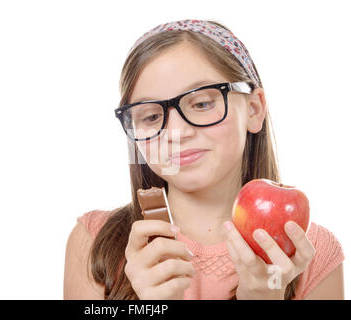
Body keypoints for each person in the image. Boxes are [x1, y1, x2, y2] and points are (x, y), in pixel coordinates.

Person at [63, 19, 345, 300]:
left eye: (201, 104)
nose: (176, 133)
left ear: (254, 109)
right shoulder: (94, 243)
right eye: (150, 116)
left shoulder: (313, 254)